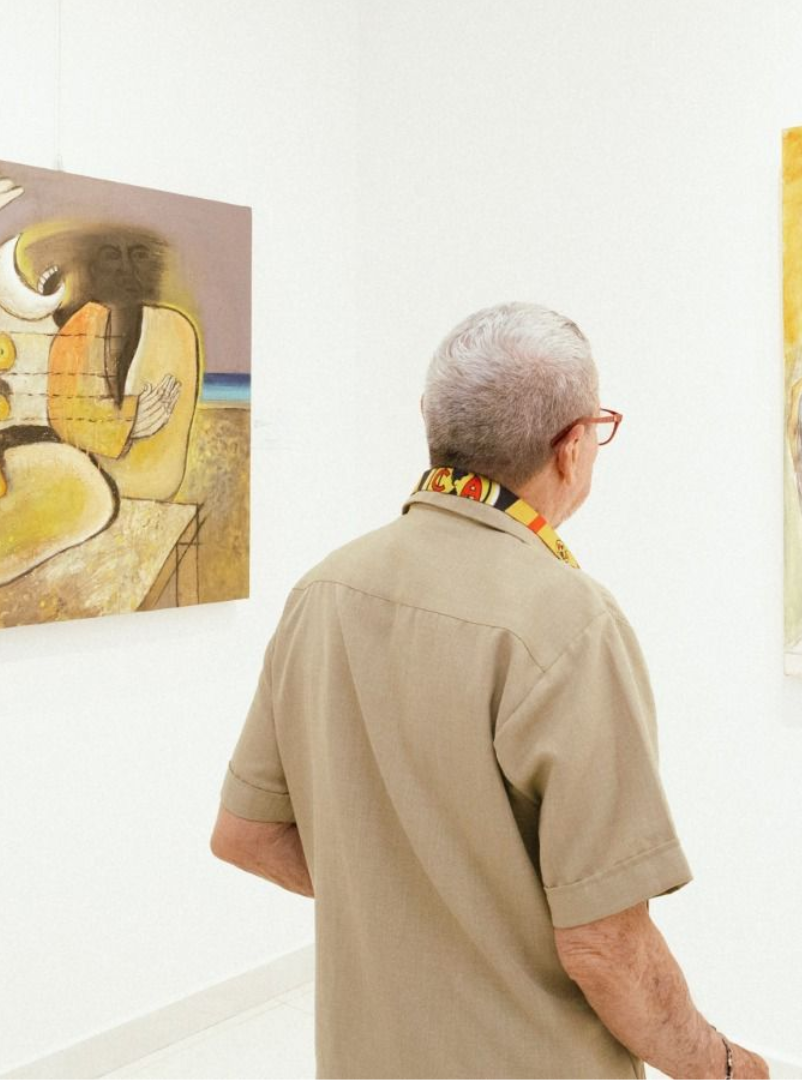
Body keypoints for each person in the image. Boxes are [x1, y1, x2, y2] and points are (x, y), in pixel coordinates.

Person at [211, 302, 768, 1079]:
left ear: (429, 420)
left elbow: (246, 834)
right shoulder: (569, 624)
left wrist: (406, 909)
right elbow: (606, 945)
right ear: (571, 447)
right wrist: (726, 1068)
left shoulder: (326, 590)